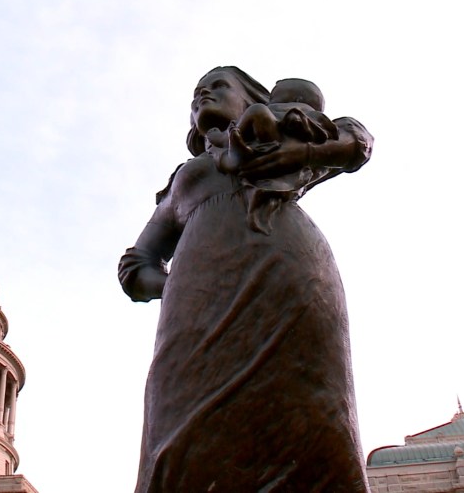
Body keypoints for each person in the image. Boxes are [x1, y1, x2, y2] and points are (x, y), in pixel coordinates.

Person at [118, 66, 373, 492]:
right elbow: (136, 264)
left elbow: (357, 140)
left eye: (217, 87)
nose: (202, 96)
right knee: (179, 429)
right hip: (195, 312)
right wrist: (181, 287)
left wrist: (306, 155)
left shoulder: (279, 141)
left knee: (309, 413)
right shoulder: (187, 177)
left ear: (251, 98)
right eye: (197, 93)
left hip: (291, 278)